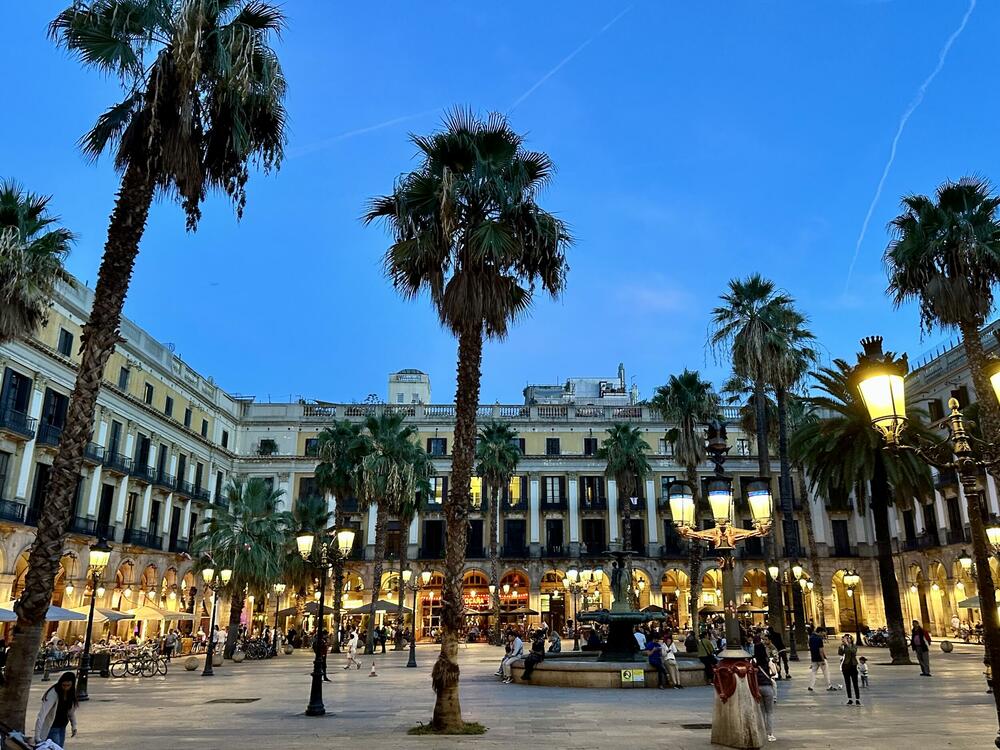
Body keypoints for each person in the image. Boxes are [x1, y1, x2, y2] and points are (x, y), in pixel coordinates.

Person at [34, 671, 78, 747]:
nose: (65, 688)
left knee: (59, 747)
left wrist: (74, 726)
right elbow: (42, 714)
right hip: (52, 727)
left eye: (68, 685)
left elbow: (71, 712)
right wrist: (37, 736)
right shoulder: (53, 693)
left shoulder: (71, 694)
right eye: (64, 685)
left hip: (62, 726)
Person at [807, 627, 835, 692]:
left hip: (814, 658)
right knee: (826, 672)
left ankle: (811, 686)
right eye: (823, 633)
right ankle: (829, 686)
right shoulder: (819, 639)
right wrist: (823, 659)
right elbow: (821, 650)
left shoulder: (811, 638)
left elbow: (811, 649)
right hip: (820, 658)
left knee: (813, 672)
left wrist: (812, 660)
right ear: (820, 632)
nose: (823, 635)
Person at [838, 634, 861, 705]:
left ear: (851, 639)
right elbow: (840, 653)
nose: (846, 640)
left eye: (848, 638)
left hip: (853, 665)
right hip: (845, 666)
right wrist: (841, 647)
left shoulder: (854, 646)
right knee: (847, 683)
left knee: (855, 683)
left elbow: (853, 652)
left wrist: (847, 644)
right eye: (845, 638)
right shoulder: (843, 646)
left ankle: (857, 699)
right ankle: (850, 699)